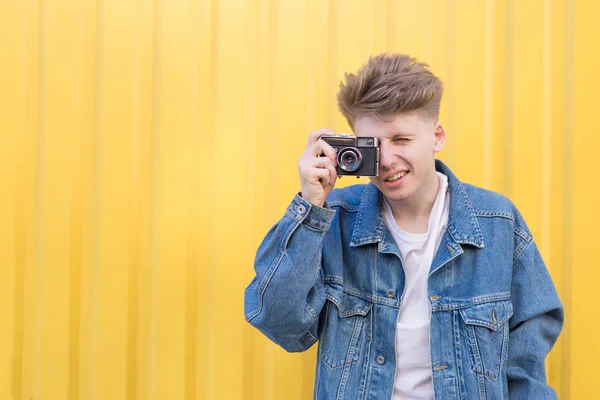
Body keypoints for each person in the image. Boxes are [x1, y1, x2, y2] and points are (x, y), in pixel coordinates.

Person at [243, 53, 563, 399]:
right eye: (373, 146)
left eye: (401, 139)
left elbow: (526, 362)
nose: (388, 160)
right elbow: (281, 325)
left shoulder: (497, 223)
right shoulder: (332, 219)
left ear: (437, 136)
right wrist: (309, 207)